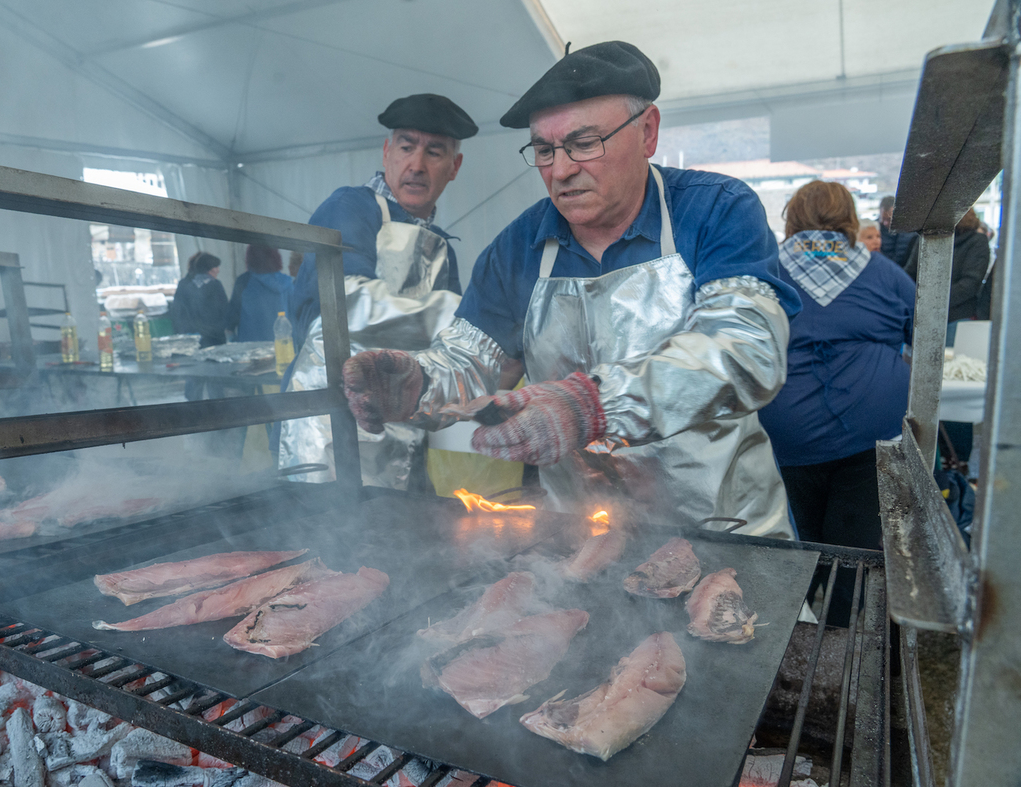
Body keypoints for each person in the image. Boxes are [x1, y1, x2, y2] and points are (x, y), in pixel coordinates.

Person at [342, 41, 802, 537]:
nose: (560, 170)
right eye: (544, 150)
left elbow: (744, 348)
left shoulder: (714, 211)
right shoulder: (519, 245)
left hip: (725, 530)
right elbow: (475, 361)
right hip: (586, 535)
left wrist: (591, 405)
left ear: (647, 132)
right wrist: (421, 382)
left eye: (585, 143)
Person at [279, 93, 477, 490]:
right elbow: (345, 305)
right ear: (387, 152)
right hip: (330, 436)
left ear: (454, 167)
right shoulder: (349, 209)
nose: (417, 165)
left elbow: (449, 353)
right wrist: (472, 318)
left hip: (404, 433)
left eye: (434, 152)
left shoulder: (441, 248)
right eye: (406, 147)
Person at [758, 181, 915, 623]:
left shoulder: (768, 271)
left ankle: (786, 635)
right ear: (850, 219)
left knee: (795, 549)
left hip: (786, 441)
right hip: (870, 438)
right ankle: (839, 634)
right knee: (853, 553)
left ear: (791, 218)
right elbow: (921, 333)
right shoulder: (883, 273)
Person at [903, 206, 990, 323]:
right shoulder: (925, 238)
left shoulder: (977, 242)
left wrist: (928, 300)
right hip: (927, 311)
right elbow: (910, 273)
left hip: (955, 314)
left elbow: (970, 284)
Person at [225, 244, 293, 342]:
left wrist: (230, 332)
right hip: (282, 343)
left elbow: (233, 313)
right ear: (276, 258)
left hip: (251, 344)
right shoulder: (288, 282)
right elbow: (295, 313)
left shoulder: (244, 281)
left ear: (250, 258)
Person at [171, 251, 229, 348]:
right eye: (214, 267)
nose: (218, 270)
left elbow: (177, 312)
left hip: (190, 338)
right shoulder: (215, 285)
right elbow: (225, 310)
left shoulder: (184, 284)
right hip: (214, 338)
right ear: (207, 269)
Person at [877, 195, 918, 268]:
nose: (885, 223)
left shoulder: (910, 233)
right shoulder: (876, 229)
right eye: (883, 218)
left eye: (889, 219)